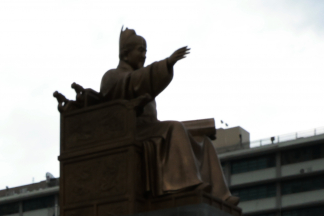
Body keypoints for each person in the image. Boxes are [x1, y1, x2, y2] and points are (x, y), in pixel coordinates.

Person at [100, 29, 237, 205]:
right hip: (132, 131)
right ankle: (189, 184)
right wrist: (166, 64)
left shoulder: (134, 74)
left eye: (145, 51)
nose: (144, 55)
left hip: (151, 128)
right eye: (140, 51)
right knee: (175, 127)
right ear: (125, 55)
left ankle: (221, 195)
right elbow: (134, 82)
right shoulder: (112, 76)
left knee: (203, 140)